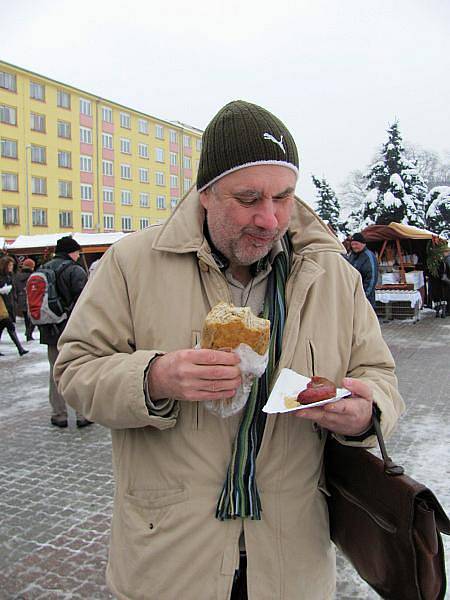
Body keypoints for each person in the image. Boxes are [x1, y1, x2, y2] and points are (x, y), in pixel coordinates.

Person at [54, 101, 404, 600]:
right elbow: (75, 369)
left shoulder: (333, 276)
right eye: (248, 198)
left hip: (292, 558)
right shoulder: (132, 264)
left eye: (283, 197)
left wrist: (368, 412)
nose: (270, 218)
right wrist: (154, 377)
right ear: (206, 193)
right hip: (170, 556)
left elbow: (379, 374)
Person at [39, 236, 91, 428]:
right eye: (78, 252)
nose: (79, 255)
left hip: (49, 329)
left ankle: (58, 414)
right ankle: (81, 414)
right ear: (71, 252)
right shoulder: (75, 270)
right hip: (71, 331)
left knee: (55, 372)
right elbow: (85, 302)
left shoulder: (44, 268)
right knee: (78, 370)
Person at [0, 256, 29, 357]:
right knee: (10, 327)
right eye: (10, 265)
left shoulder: (10, 276)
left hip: (9, 304)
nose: (11, 267)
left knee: (2, 328)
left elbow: (14, 290)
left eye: (12, 265)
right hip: (2, 306)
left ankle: (20, 349)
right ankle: (20, 349)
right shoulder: (2, 277)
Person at [346, 232, 378, 307]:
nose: (354, 246)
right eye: (352, 244)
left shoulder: (369, 257)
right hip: (352, 295)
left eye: (356, 244)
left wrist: (363, 296)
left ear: (363, 244)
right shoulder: (351, 256)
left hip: (365, 297)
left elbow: (372, 279)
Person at [15, 258, 36, 341]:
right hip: (30, 298)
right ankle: (29, 333)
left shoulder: (17, 276)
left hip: (21, 298)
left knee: (26, 318)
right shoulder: (33, 275)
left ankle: (28, 332)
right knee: (33, 318)